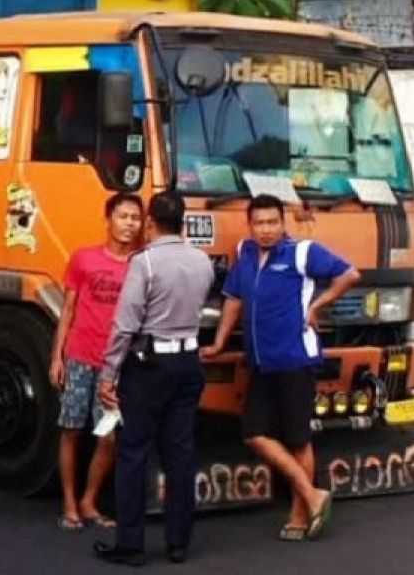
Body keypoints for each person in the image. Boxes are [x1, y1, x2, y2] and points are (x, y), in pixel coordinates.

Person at [201, 193, 360, 542]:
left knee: (297, 440)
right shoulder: (245, 253)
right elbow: (233, 300)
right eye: (259, 223)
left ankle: (299, 514)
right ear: (250, 225)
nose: (266, 230)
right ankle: (312, 494)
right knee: (255, 433)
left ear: (282, 223)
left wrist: (319, 304)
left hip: (294, 360)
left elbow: (350, 274)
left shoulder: (302, 252)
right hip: (260, 362)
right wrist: (219, 342)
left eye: (273, 222)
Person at [93, 191, 214, 566]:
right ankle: (178, 542)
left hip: (148, 367)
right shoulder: (202, 261)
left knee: (133, 453)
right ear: (183, 221)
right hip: (188, 362)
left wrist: (108, 374)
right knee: (180, 452)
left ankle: (130, 543)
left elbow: (125, 325)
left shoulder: (143, 263)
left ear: (150, 222)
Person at [49, 192, 145, 532]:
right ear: (108, 220)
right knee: (71, 431)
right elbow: (68, 310)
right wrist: (56, 356)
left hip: (114, 367)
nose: (130, 224)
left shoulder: (141, 265)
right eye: (123, 216)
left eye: (135, 218)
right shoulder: (83, 259)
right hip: (78, 359)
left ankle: (90, 501)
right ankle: (69, 504)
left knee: (107, 438)